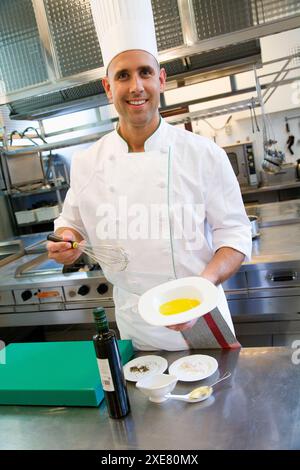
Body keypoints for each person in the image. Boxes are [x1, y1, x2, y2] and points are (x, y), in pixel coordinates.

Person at [47, 0, 252, 351]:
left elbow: (234, 233)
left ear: (161, 79)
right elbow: (71, 224)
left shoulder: (203, 154)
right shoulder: (87, 162)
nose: (136, 86)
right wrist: (65, 241)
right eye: (122, 76)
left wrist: (201, 287)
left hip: (200, 313)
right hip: (136, 321)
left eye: (144, 72)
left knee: (221, 400)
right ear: (108, 88)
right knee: (148, 403)